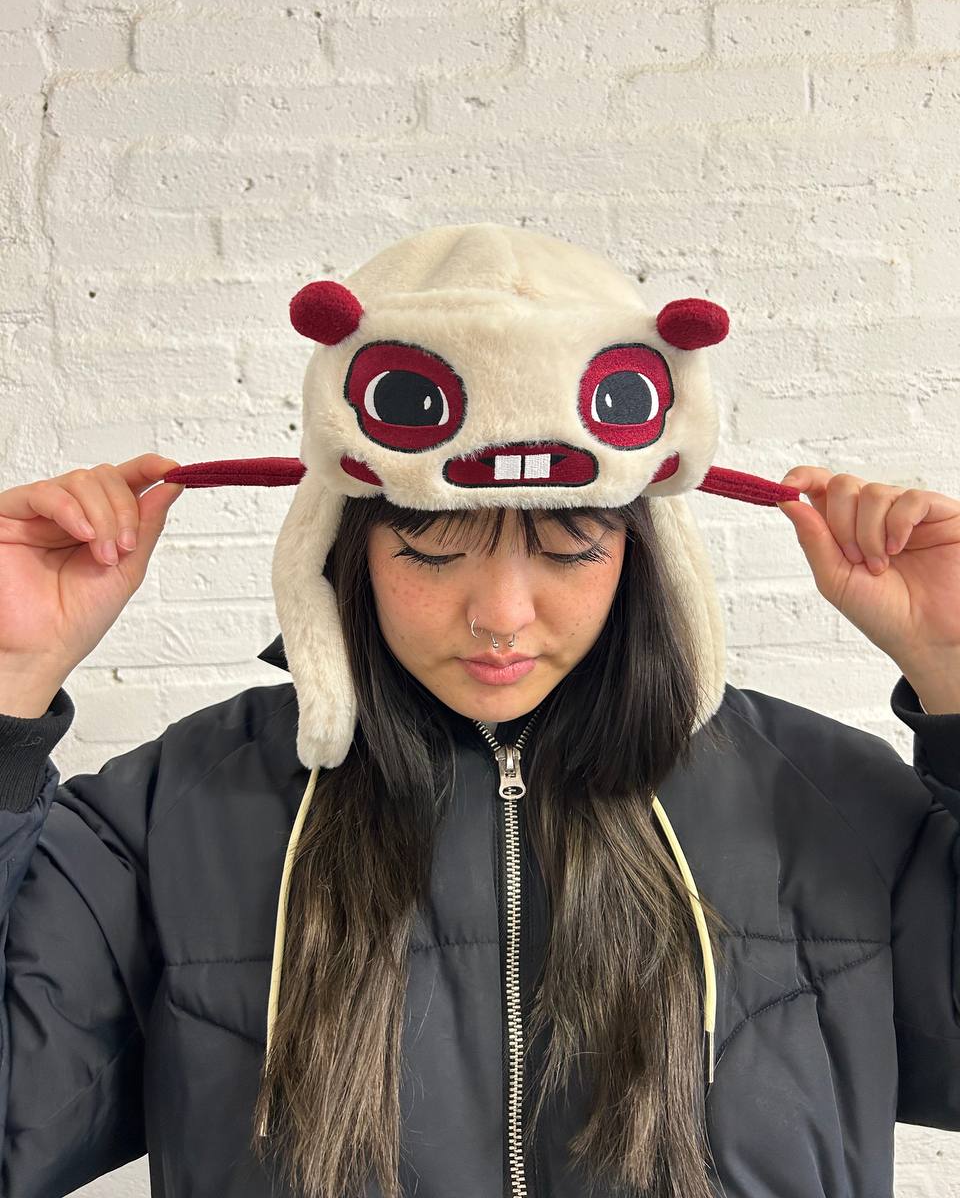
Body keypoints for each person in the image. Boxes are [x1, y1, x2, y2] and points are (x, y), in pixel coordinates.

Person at [0, 222, 958, 1198]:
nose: (501, 615)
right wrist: (7, 679)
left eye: (572, 545)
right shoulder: (171, 815)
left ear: (643, 547)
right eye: (431, 548)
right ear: (346, 540)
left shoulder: (824, 800)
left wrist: (955, 672)